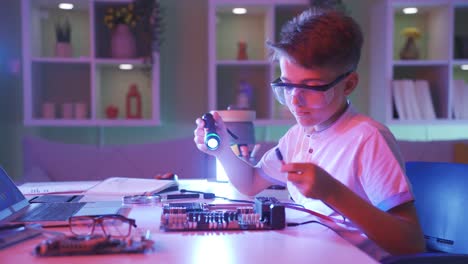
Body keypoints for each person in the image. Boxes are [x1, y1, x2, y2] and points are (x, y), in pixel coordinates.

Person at [193, 7, 425, 260]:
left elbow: (411, 243)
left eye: (311, 87)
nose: (295, 100)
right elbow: (250, 183)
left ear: (348, 84)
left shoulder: (367, 139)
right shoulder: (298, 136)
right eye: (287, 85)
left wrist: (332, 192)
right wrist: (222, 150)